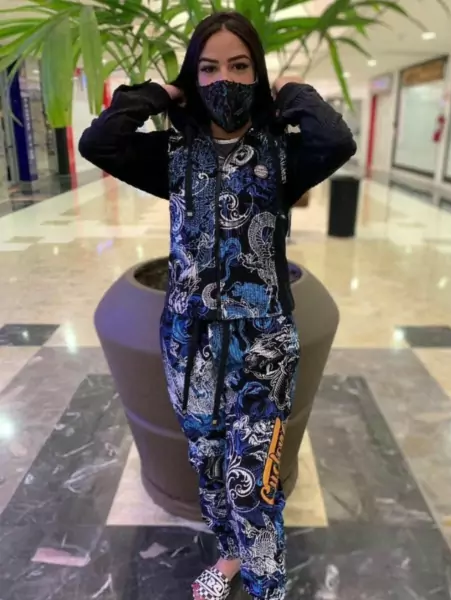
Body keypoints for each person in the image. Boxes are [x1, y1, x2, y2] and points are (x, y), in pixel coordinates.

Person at [79, 10, 356, 600]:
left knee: (254, 484)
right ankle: (230, 559)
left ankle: (266, 587)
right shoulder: (173, 155)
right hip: (190, 342)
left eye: (239, 65)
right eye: (208, 68)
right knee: (209, 468)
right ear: (194, 76)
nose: (223, 79)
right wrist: (162, 93)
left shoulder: (283, 155)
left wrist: (290, 91)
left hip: (263, 344)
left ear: (257, 74)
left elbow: (337, 140)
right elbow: (99, 142)